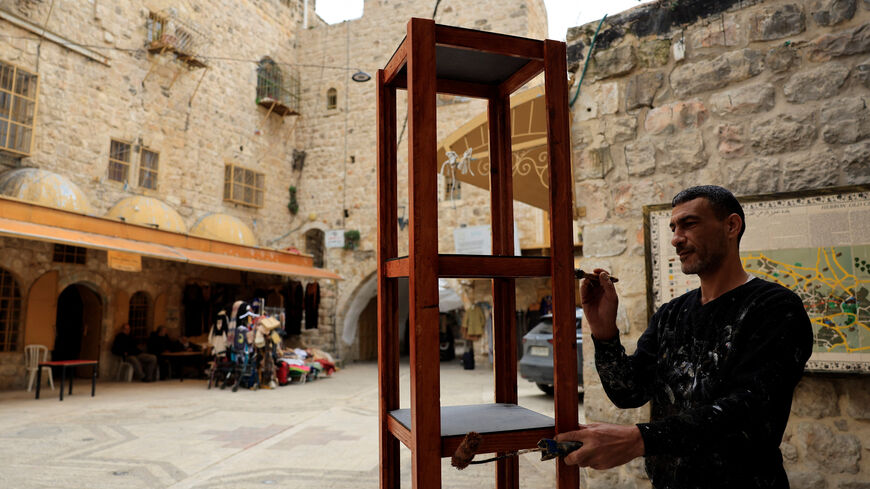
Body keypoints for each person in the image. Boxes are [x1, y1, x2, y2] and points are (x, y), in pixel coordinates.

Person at [556, 185, 813, 488]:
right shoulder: (672, 313)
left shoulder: (775, 308)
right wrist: (604, 332)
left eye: (689, 224)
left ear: (732, 226)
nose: (676, 238)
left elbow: (748, 409)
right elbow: (629, 392)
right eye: (673, 228)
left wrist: (639, 439)